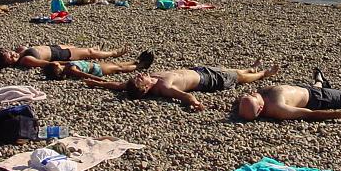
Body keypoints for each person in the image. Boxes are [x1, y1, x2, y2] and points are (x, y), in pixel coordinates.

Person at [85, 61, 281, 111]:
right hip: (207, 81)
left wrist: (97, 83)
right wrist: (195, 103)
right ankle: (263, 73)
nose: (139, 74)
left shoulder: (140, 83)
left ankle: (250, 68)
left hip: (199, 70)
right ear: (145, 89)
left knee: (229, 69)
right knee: (237, 77)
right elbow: (184, 96)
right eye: (139, 79)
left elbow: (119, 85)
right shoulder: (163, 87)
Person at [0, 44, 134, 69]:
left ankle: (97, 50)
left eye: (10, 53)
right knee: (90, 53)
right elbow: (45, 63)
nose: (12, 55)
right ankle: (114, 53)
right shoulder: (25, 60)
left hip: (55, 47)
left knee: (83, 49)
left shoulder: (19, 51)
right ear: (10, 64)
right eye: (10, 58)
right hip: (59, 55)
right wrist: (63, 63)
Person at [44, 57, 151, 81]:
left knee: (115, 64)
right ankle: (140, 66)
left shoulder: (67, 66)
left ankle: (135, 61)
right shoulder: (71, 69)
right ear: (56, 67)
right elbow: (86, 75)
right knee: (118, 68)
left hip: (95, 65)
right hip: (97, 70)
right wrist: (101, 80)